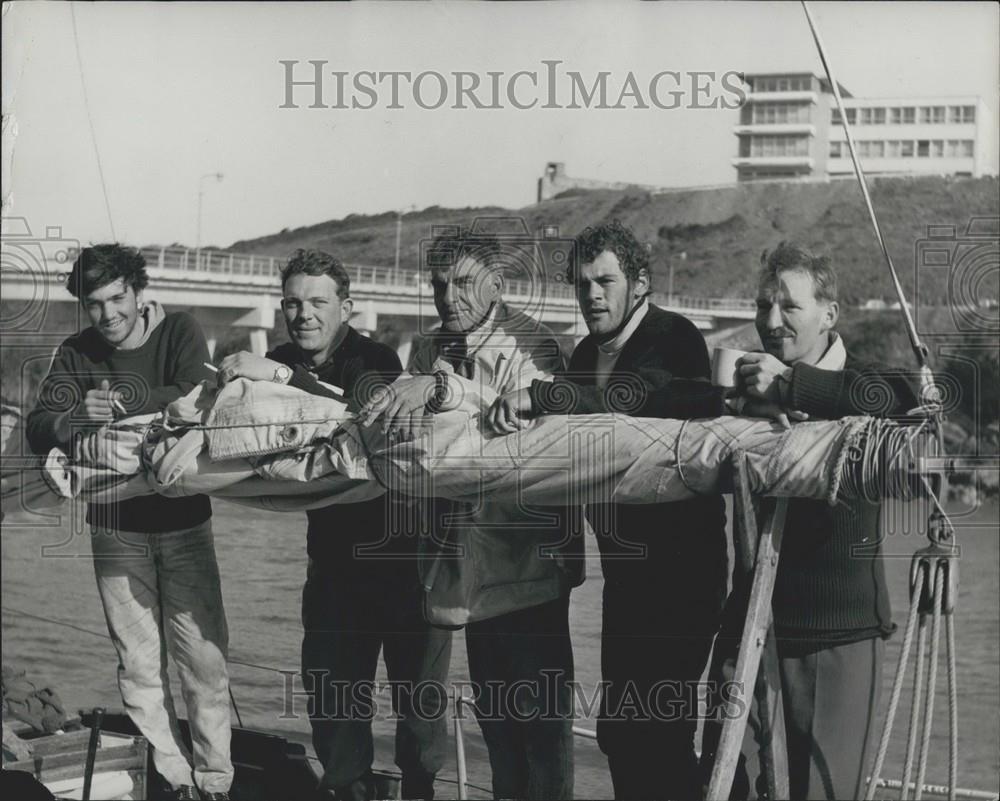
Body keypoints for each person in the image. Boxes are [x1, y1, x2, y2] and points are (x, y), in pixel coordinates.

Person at [487, 220, 729, 799]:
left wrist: (543, 394)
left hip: (683, 576)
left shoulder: (675, 336)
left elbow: (641, 397)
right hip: (625, 578)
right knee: (619, 734)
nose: (591, 295)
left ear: (639, 283)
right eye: (581, 283)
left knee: (662, 730)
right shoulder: (586, 353)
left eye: (605, 281)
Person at [218, 249, 452, 801]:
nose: (304, 315)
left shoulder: (374, 360)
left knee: (419, 713)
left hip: (407, 563)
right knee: (333, 707)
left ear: (345, 308)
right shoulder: (278, 357)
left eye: (318, 303)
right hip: (333, 568)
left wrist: (279, 377)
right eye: (293, 304)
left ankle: (420, 792)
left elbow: (365, 414)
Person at [361, 228, 583, 800]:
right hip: (465, 566)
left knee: (541, 729)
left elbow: (515, 442)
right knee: (496, 720)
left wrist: (439, 392)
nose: (448, 298)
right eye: (439, 285)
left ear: (497, 285)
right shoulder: (427, 349)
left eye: (463, 283)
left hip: (528, 567)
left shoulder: (534, 348)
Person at [700, 242, 919, 800]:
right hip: (749, 628)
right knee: (720, 784)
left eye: (789, 306)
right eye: (763, 306)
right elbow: (669, 401)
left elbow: (910, 399)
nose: (771, 322)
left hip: (836, 640)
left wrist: (793, 387)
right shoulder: (743, 383)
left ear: (829, 314)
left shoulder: (866, 383)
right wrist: (734, 403)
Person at [25, 244, 231, 801]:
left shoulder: (180, 331)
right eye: (94, 303)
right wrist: (73, 418)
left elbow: (196, 394)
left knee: (204, 661)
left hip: (187, 525)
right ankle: (173, 781)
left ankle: (215, 783)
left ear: (139, 292)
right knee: (138, 666)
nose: (108, 313)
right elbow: (39, 425)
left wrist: (117, 403)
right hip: (114, 530)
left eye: (117, 298)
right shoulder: (75, 352)